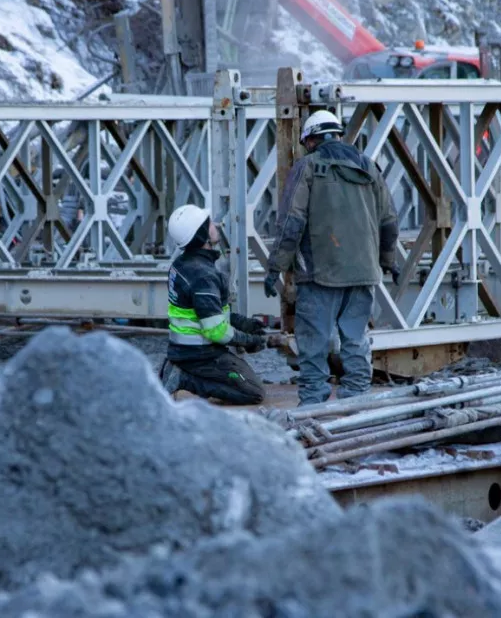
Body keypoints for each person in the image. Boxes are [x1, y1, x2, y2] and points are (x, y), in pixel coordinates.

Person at [263, 110, 400, 406]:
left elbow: (291, 222)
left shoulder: (307, 167)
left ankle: (313, 404)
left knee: (313, 342)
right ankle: (358, 400)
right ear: (338, 134)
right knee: (356, 338)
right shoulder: (368, 166)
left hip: (319, 272)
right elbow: (389, 221)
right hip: (363, 271)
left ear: (311, 140)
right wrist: (389, 262)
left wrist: (276, 267)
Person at [159, 205, 269, 405]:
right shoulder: (203, 276)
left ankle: (180, 369)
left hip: (184, 349)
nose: (215, 225)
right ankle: (185, 378)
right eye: (209, 224)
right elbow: (216, 331)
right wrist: (248, 340)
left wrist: (243, 323)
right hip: (200, 355)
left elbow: (208, 314)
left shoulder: (182, 265)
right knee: (253, 392)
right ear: (201, 235)